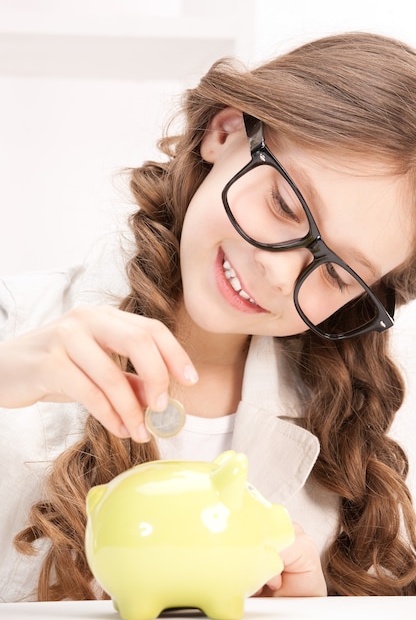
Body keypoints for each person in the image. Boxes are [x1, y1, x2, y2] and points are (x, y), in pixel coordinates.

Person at [1, 30, 416, 602]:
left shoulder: (359, 435)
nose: (279, 273)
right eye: (284, 205)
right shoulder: (15, 323)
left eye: (339, 273)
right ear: (225, 133)